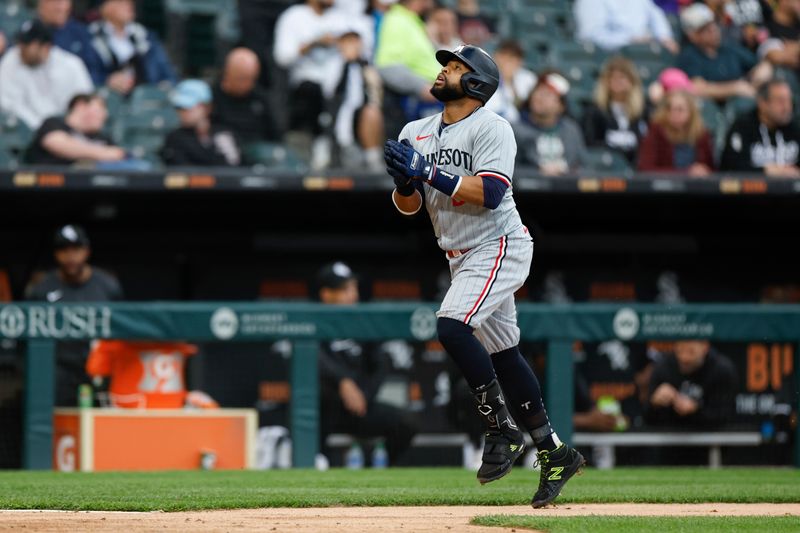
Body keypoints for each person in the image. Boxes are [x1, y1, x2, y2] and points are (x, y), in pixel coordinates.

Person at [384, 44, 584, 508]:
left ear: (475, 83)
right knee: (506, 356)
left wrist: (427, 172)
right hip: (458, 252)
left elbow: (491, 192)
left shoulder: (493, 127)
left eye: (454, 68)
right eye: (445, 66)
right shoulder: (415, 131)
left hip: (499, 243)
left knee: (451, 327)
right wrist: (404, 184)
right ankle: (555, 453)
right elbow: (409, 207)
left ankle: (500, 429)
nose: (442, 72)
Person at [315, 261, 417, 466]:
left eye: (353, 288)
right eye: (344, 290)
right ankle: (317, 461)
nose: (352, 295)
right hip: (326, 409)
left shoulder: (364, 323)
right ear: (326, 295)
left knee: (407, 422)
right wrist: (343, 382)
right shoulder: (313, 322)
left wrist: (364, 395)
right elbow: (314, 359)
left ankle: (385, 467)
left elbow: (380, 365)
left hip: (360, 407)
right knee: (316, 403)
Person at [25, 225, 124, 406]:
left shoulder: (107, 285)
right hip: (58, 369)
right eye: (64, 250)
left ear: (86, 251)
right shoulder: (43, 287)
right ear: (56, 254)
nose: (70, 256)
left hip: (98, 367)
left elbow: (121, 330)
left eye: (76, 249)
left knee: (99, 424)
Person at [273, 0, 349, 170]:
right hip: (302, 88)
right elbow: (282, 57)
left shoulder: (341, 19)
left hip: (336, 86)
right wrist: (314, 43)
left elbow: (354, 50)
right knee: (311, 89)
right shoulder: (293, 16)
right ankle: (309, 149)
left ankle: (335, 149)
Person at [0, 19, 93, 130]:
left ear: (46, 47)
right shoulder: (11, 60)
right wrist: (43, 130)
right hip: (30, 132)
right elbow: (10, 105)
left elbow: (86, 102)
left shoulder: (71, 65)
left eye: (27, 45)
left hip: (70, 131)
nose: (20, 49)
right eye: (20, 43)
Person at [677, 3, 771, 102]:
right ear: (692, 35)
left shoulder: (728, 47)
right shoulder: (689, 55)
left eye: (714, 24)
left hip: (744, 101)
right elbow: (698, 88)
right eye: (705, 29)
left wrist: (762, 71)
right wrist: (735, 88)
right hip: (714, 108)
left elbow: (759, 64)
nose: (713, 30)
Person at [86, 340, 218, 409]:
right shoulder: (116, 343)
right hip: (129, 410)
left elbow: (95, 370)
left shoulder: (112, 342)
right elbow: (96, 370)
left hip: (167, 412)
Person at [87, 0, 176, 94]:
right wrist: (107, 80)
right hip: (107, 100)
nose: (129, 6)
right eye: (121, 2)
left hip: (145, 101)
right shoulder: (89, 38)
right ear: (104, 7)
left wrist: (159, 91)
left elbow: (168, 76)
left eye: (130, 2)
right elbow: (85, 77)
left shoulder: (146, 37)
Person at [645, 340, 737, 428]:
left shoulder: (721, 370)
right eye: (680, 350)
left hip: (709, 439)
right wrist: (655, 403)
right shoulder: (663, 367)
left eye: (691, 351)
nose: (684, 358)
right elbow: (646, 417)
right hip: (669, 437)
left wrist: (695, 410)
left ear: (705, 347)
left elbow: (726, 416)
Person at [720, 78, 800, 176]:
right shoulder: (743, 127)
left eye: (789, 101)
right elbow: (731, 168)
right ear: (762, 103)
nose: (787, 107)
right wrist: (766, 171)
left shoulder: (795, 127)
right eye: (780, 101)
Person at [513, 71, 588, 176]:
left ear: (561, 106)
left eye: (547, 94)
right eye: (538, 91)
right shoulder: (515, 130)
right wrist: (538, 172)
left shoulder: (571, 130)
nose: (540, 97)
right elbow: (509, 170)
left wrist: (565, 170)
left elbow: (583, 167)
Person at [332, 31, 385, 172]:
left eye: (356, 44)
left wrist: (364, 68)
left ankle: (372, 157)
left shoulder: (366, 65)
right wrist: (345, 63)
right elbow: (329, 89)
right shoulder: (334, 63)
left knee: (372, 112)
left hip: (361, 110)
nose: (354, 47)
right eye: (349, 43)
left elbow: (376, 91)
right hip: (339, 109)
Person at [25, 93, 126, 166]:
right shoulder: (54, 122)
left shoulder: (103, 137)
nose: (105, 114)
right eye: (100, 107)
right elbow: (56, 143)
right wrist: (103, 153)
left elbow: (118, 155)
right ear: (80, 105)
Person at [582, 56, 649, 164]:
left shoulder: (643, 110)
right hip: (605, 165)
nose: (617, 82)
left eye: (622, 77)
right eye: (612, 78)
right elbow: (589, 142)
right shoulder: (594, 111)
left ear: (632, 81)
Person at [161, 79, 240, 166]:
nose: (182, 112)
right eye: (179, 108)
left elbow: (234, 169)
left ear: (207, 107)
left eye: (187, 107)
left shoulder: (224, 133)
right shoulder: (174, 138)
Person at [637, 89, 715, 175]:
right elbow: (645, 168)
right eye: (669, 109)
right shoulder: (656, 131)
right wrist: (686, 173)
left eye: (680, 109)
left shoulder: (702, 134)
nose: (674, 113)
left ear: (691, 112)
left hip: (696, 186)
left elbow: (711, 168)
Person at [211, 47, 278, 145]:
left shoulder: (260, 98)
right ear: (227, 73)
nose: (248, 84)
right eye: (243, 78)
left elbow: (275, 134)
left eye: (252, 79)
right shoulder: (211, 98)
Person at [574, 0, 678, 53]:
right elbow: (589, 35)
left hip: (641, 53)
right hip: (607, 56)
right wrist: (628, 40)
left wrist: (664, 37)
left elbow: (655, 14)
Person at [36, 0, 103, 76]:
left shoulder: (80, 31)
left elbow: (95, 68)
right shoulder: (29, 32)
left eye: (64, 2)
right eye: (55, 2)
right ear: (41, 5)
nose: (60, 7)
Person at [485, 40, 537, 125]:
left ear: (520, 61)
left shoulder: (528, 78)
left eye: (513, 57)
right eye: (504, 55)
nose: (508, 60)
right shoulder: (485, 77)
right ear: (496, 56)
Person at [758, 0, 800, 72]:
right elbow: (774, 56)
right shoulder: (765, 23)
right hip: (778, 73)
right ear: (783, 1)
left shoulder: (797, 26)